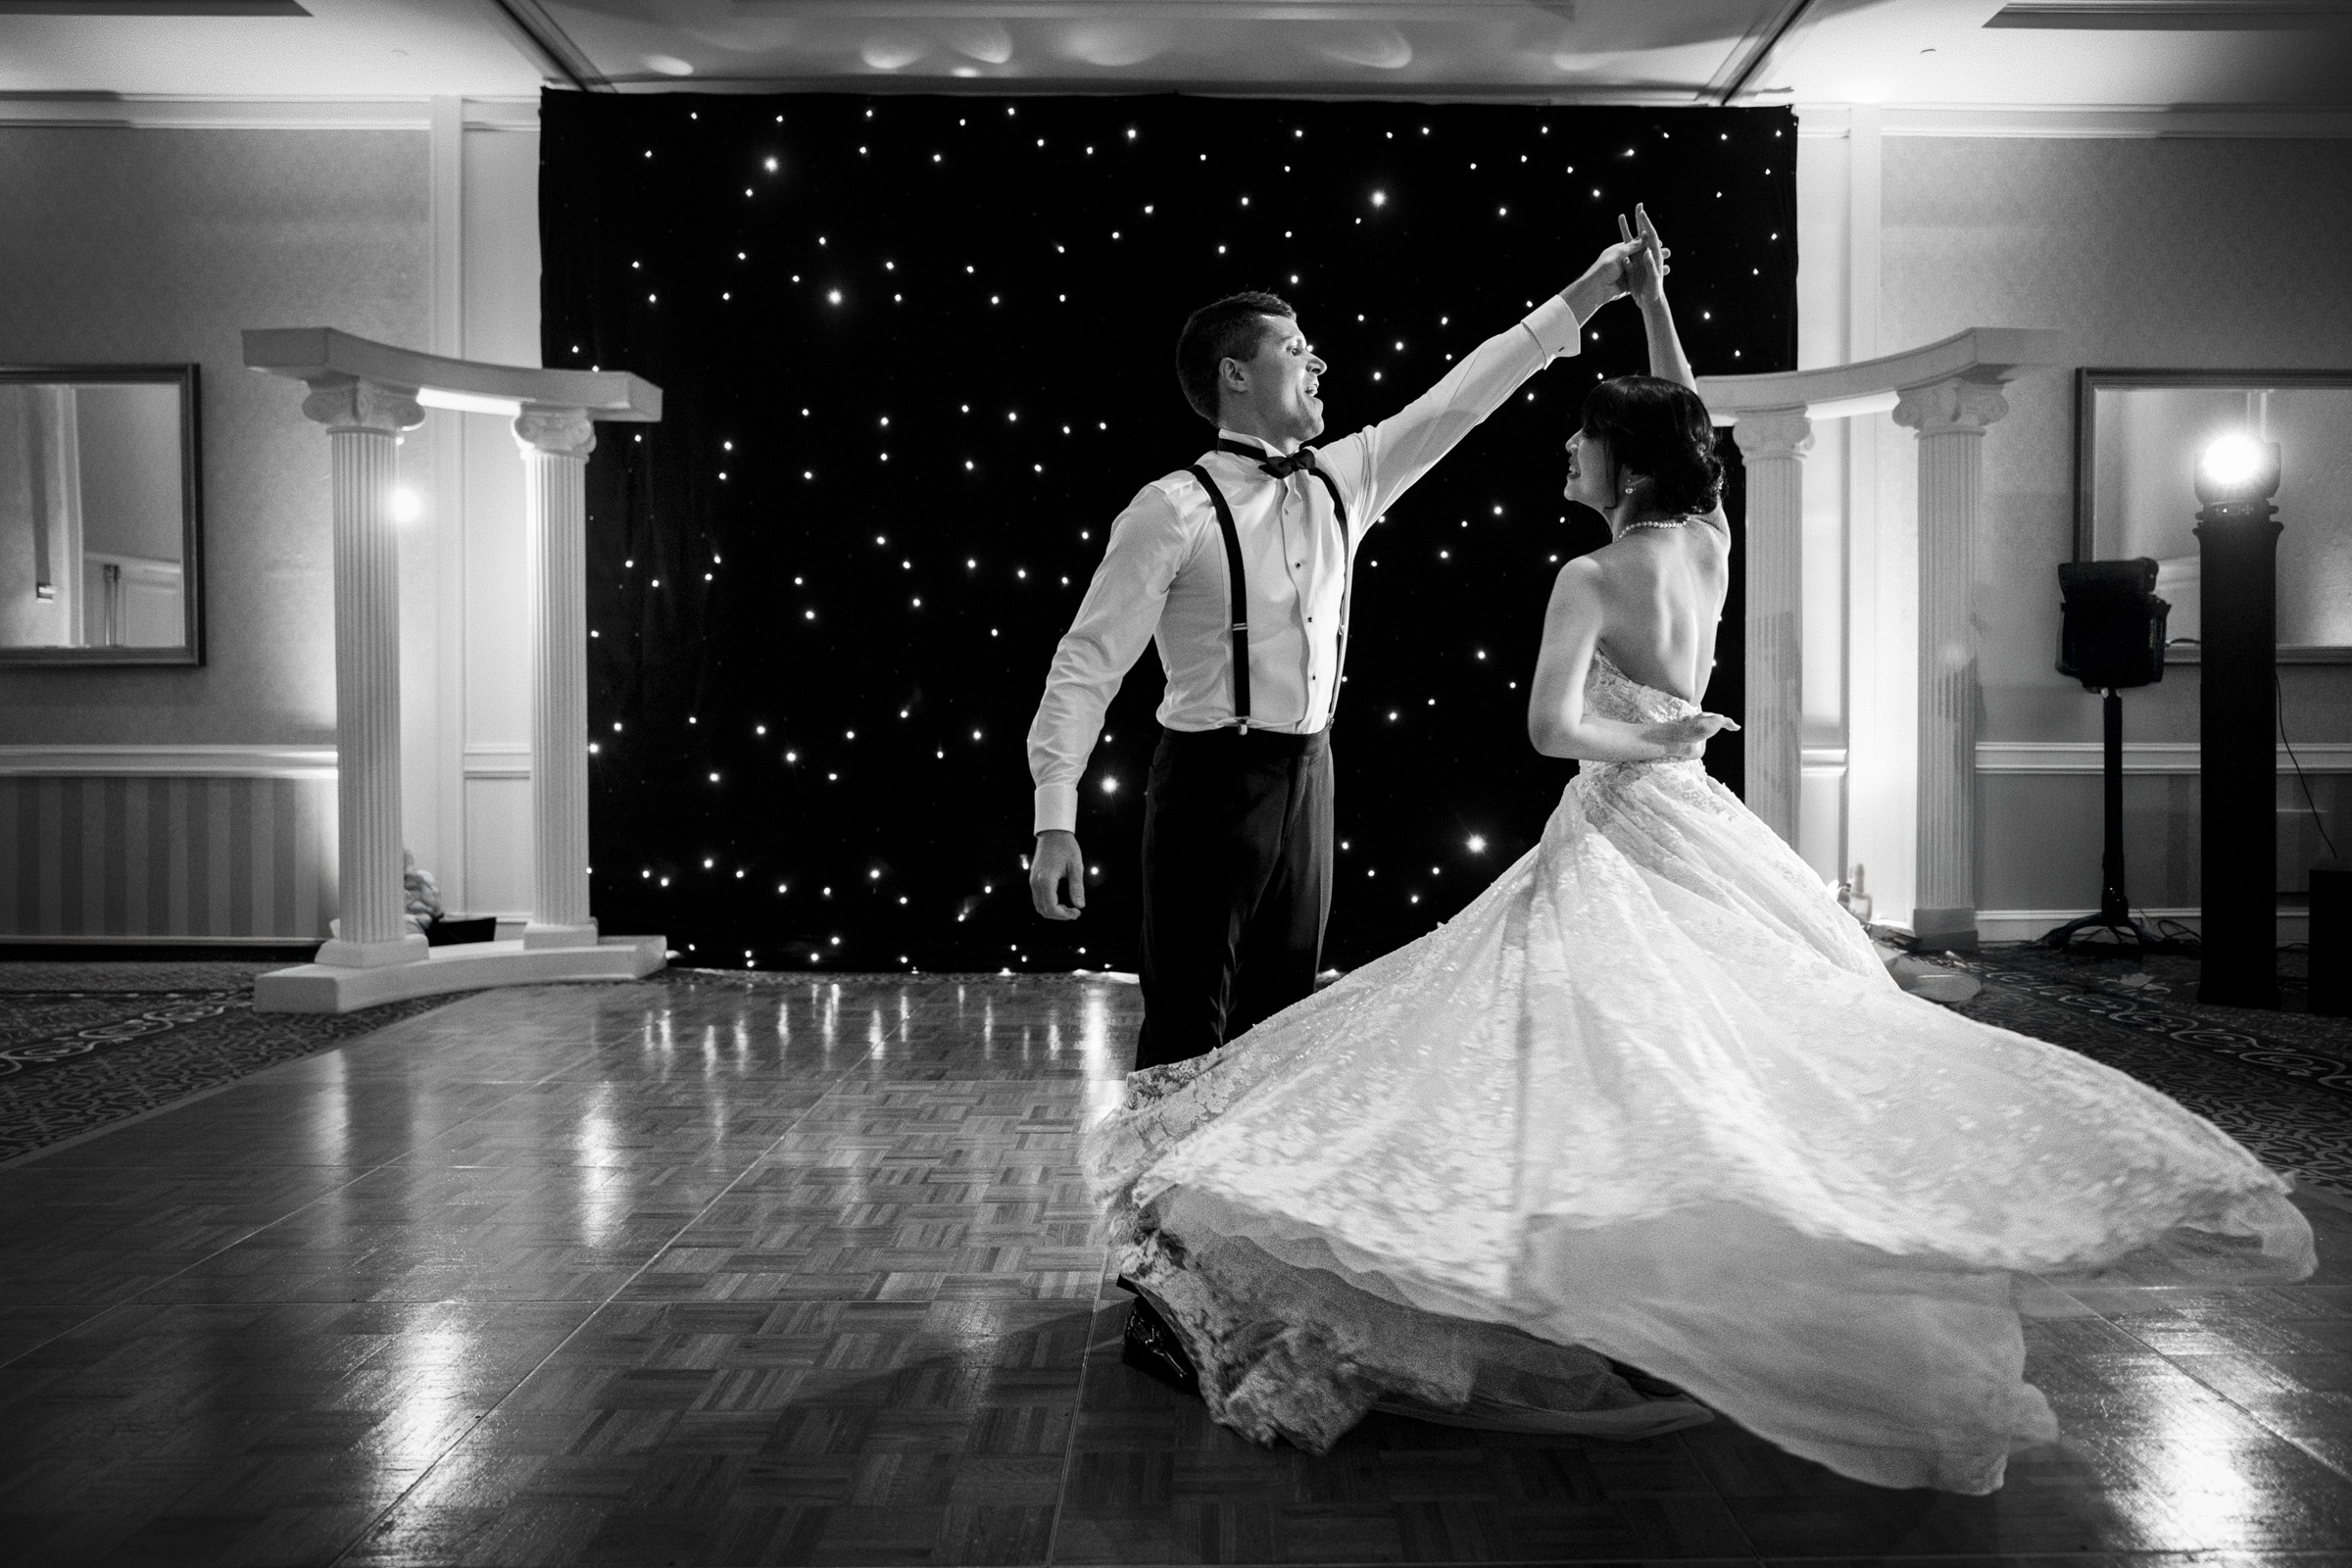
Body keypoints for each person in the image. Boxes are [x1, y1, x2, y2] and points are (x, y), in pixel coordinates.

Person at [1079, 206, 2317, 1494]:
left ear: (1619, 464)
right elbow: (1693, 428)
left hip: (1618, 832)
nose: (1565, 446)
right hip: (1700, 824)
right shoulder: (1711, 541)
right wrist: (1647, 303)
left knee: (1579, 1064)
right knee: (1713, 1058)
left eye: (1583, 439)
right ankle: (1653, 1279)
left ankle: (1572, 1283)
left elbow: (1556, 728)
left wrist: (1640, 745)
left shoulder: (1587, 578)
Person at [1025, 230, 1656, 1073]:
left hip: (1310, 774)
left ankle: (1241, 1205)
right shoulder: (1170, 510)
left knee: (1281, 1027)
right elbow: (1086, 664)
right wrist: (1055, 818)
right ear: (1234, 375)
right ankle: (1152, 1206)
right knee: (1183, 1029)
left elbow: (1462, 397)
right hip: (1209, 785)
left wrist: (1589, 293)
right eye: (1294, 349)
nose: (1316, 365)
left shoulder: (1341, 479)